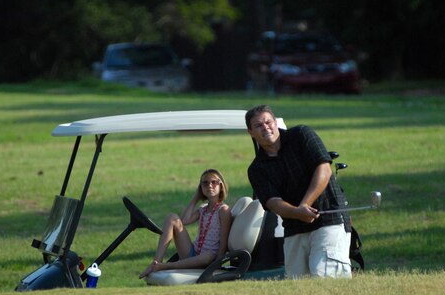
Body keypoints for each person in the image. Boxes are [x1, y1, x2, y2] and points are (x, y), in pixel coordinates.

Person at [245, 105, 352, 279]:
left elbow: (324, 170)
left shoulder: (302, 134)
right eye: (258, 125)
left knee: (324, 276)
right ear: (250, 132)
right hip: (294, 228)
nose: (265, 127)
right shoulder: (256, 169)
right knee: (297, 284)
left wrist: (305, 204)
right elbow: (273, 202)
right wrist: (297, 212)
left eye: (268, 122)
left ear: (275, 123)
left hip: (328, 219)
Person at [139, 169, 232, 279]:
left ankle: (164, 266)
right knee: (172, 218)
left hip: (208, 259)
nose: (209, 185)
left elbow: (224, 239)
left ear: (221, 185)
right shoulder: (203, 209)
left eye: (214, 182)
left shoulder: (223, 210)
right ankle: (156, 262)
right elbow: (184, 221)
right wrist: (196, 198)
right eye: (205, 183)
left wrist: (218, 263)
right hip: (193, 253)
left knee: (208, 256)